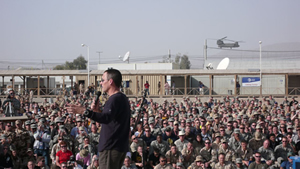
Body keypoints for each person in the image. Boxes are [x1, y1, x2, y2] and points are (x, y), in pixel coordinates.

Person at [66, 69, 130, 169]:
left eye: (102, 80)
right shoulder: (121, 98)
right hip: (117, 146)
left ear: (111, 81)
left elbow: (106, 118)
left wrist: (84, 111)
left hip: (111, 147)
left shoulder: (114, 99)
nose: (101, 83)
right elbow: (112, 120)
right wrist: (97, 111)